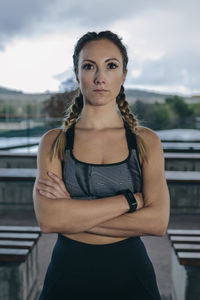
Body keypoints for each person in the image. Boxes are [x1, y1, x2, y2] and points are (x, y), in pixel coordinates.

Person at [33, 30, 170, 300]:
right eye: (89, 66)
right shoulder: (55, 142)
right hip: (68, 271)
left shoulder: (146, 141)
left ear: (124, 74)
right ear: (76, 74)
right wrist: (130, 201)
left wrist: (73, 216)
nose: (100, 78)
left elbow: (157, 223)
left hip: (131, 273)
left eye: (111, 66)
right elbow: (49, 220)